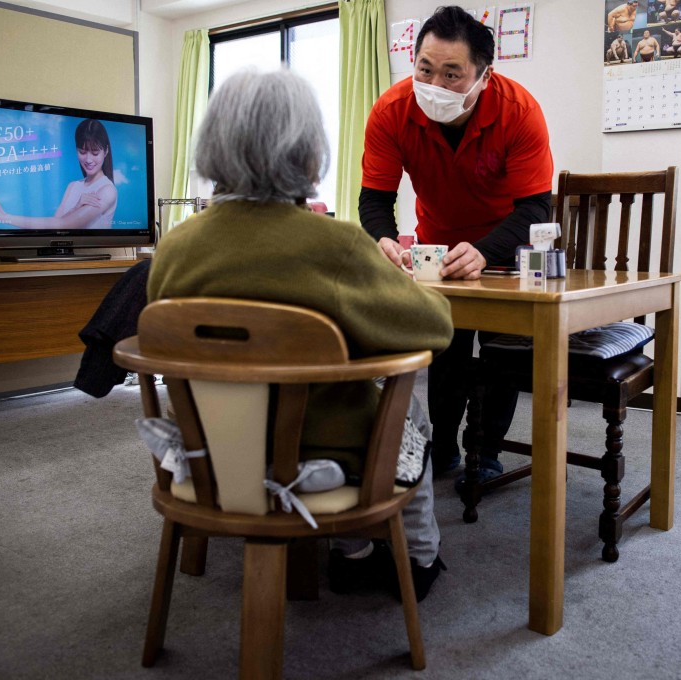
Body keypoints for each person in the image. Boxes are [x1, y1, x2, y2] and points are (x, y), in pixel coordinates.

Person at [147, 68, 455, 602]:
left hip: (209, 455)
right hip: (320, 459)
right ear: (309, 155)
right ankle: (403, 557)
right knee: (411, 398)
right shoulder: (334, 246)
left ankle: (355, 553)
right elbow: (436, 328)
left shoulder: (174, 247)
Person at [358, 5, 554, 488]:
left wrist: (486, 251)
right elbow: (375, 199)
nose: (435, 85)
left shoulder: (519, 110)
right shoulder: (390, 110)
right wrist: (383, 239)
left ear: (484, 75)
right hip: (437, 243)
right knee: (443, 348)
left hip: (503, 243)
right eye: (425, 68)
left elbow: (534, 208)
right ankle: (441, 444)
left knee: (500, 349)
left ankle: (486, 450)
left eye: (453, 74)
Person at [0, 119, 118, 229]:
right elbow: (55, 229)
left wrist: (5, 217)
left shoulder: (107, 190)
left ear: (106, 151)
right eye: (82, 152)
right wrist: (76, 207)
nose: (88, 159)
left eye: (95, 153)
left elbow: (65, 225)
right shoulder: (73, 186)